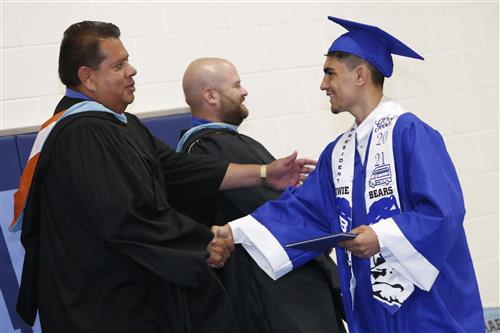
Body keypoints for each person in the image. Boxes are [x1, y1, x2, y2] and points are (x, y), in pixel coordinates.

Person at [9, 21, 312, 333]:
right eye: (119, 65)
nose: (132, 70)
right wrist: (201, 244)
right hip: (102, 309)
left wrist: (264, 174)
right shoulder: (85, 134)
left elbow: (180, 170)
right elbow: (125, 218)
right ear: (87, 77)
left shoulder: (121, 125)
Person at [213, 16, 485, 333]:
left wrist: (382, 237)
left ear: (359, 75)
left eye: (330, 73)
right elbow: (304, 211)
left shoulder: (411, 134)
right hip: (370, 310)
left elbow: (443, 213)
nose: (323, 85)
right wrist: (235, 231)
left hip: (425, 307)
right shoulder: (338, 153)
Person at [176, 57, 346, 333]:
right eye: (236, 85)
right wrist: (315, 205)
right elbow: (272, 212)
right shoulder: (208, 148)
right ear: (210, 95)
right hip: (277, 299)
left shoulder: (225, 146)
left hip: (285, 293)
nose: (244, 91)